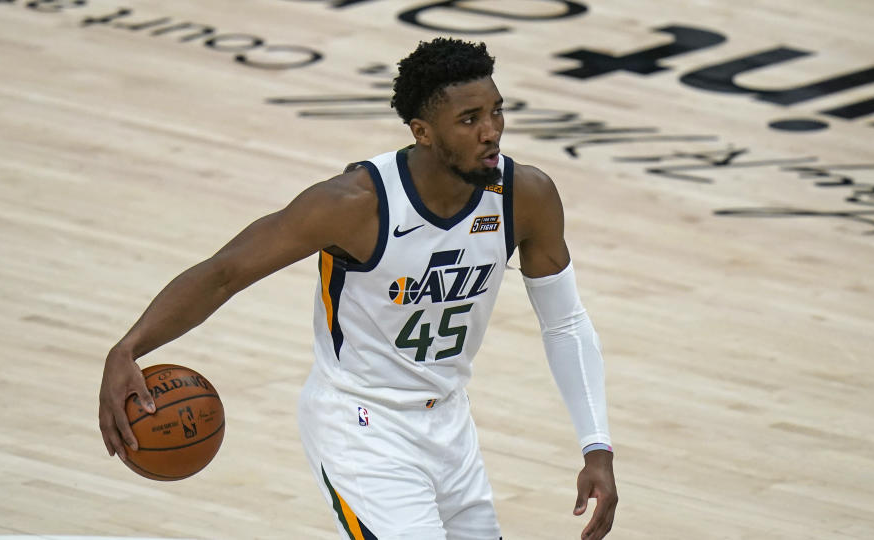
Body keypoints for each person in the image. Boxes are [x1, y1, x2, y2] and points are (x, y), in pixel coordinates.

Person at [99, 37, 616, 540]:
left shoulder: (525, 195)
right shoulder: (353, 204)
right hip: (361, 425)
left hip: (451, 424)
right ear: (423, 132)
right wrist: (129, 348)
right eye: (469, 119)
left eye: (496, 112)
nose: (491, 133)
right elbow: (224, 273)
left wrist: (597, 447)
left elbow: (564, 322)